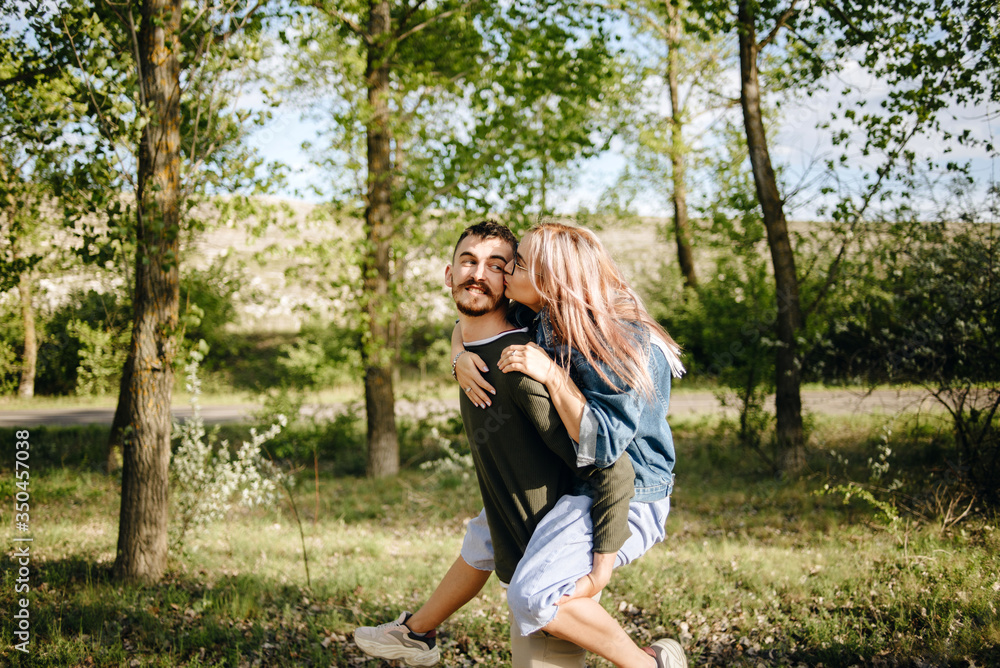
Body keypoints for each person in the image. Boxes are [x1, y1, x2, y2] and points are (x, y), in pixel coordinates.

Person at [354, 221, 686, 668]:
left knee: (535, 595)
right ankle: (417, 633)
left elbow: (610, 457)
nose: (504, 276)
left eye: (517, 266)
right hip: (581, 479)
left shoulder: (621, 344)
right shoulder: (548, 317)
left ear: (551, 280)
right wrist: (458, 356)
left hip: (631, 495)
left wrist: (550, 374)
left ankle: (650, 664)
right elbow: (471, 320)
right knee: (485, 533)